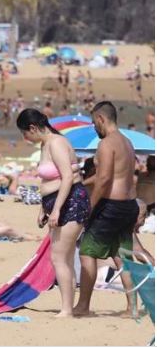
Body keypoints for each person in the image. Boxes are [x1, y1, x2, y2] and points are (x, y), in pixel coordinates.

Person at [16, 108, 89, 318]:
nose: (24, 138)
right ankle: (68, 306)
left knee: (59, 257)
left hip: (71, 202)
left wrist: (56, 209)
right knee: (62, 256)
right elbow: (49, 181)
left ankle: (67, 309)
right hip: (60, 202)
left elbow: (67, 177)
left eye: (25, 133)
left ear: (32, 127)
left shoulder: (56, 143)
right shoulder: (46, 144)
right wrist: (43, 208)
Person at [74, 101, 139, 317]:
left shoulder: (107, 144)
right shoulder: (127, 142)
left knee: (86, 252)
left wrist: (90, 207)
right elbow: (121, 174)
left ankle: (83, 306)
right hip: (129, 206)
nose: (94, 127)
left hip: (111, 207)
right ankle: (132, 308)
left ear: (101, 119)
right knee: (123, 256)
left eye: (94, 123)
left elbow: (104, 180)